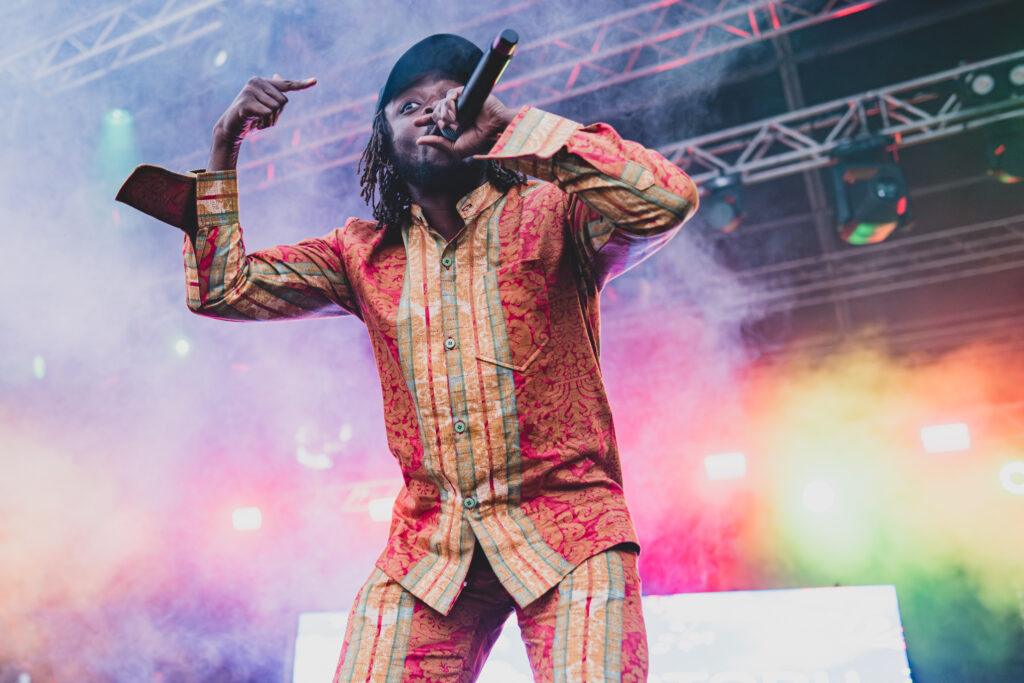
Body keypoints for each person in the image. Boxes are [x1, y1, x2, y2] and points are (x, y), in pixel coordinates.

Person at [185, 33, 697, 683]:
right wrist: (225, 145)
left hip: (573, 536)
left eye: (448, 97)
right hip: (430, 551)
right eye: (408, 106)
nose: (430, 112)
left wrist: (512, 125)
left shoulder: (554, 211)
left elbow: (666, 199)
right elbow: (222, 288)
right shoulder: (359, 253)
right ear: (384, 144)